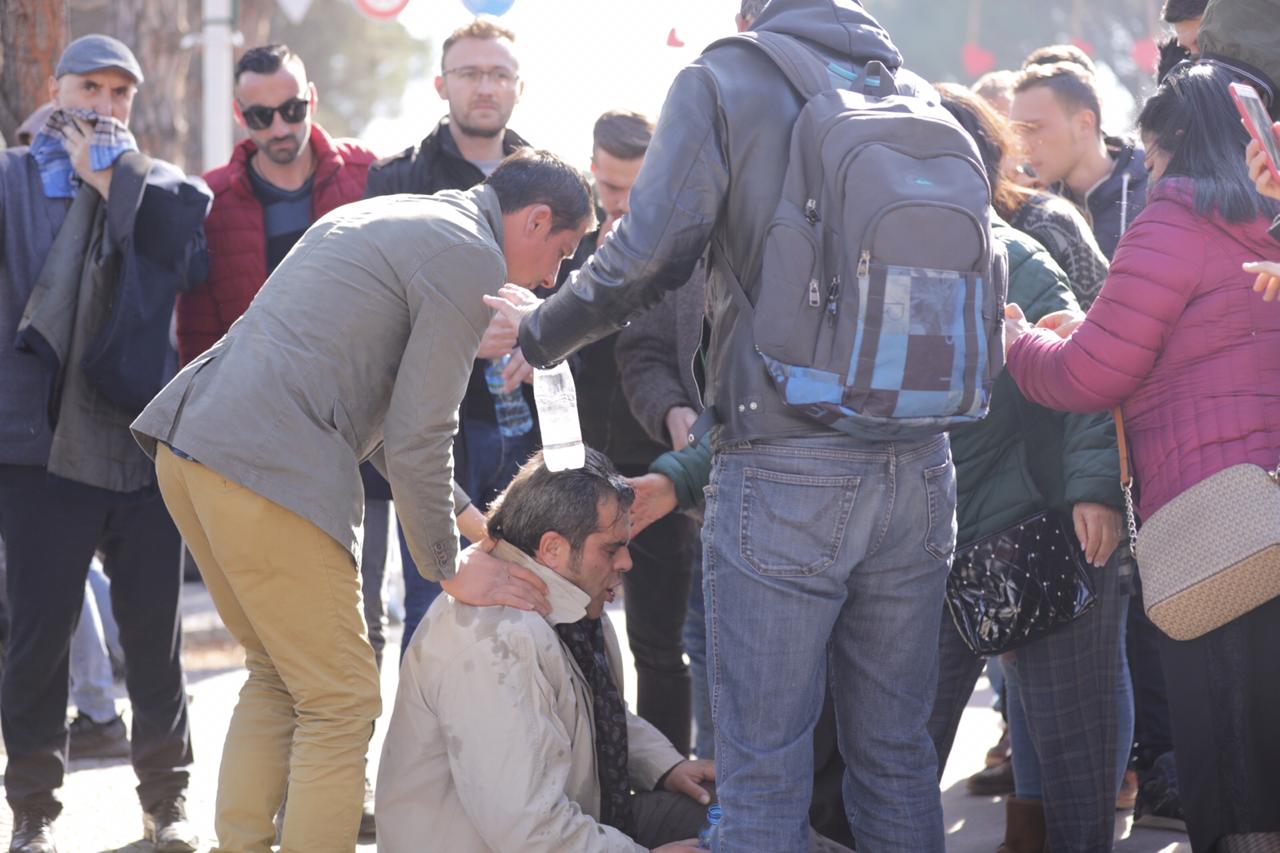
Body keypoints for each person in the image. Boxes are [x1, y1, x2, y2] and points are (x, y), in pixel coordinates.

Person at [487, 2, 965, 849]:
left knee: (761, 771)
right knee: (894, 757)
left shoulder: (726, 75)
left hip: (788, 458)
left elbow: (646, 253)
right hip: (923, 460)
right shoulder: (909, 89)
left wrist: (538, 332)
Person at [131, 149, 592, 851]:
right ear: (533, 219)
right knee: (341, 700)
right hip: (267, 460)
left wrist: (478, 527)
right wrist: (448, 563)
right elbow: (419, 431)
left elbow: (380, 424)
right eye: (560, 252)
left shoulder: (394, 214)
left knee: (281, 679)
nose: (551, 278)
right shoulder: (470, 255)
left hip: (193, 444)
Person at [1005, 62, 1280, 853]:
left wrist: (1017, 339)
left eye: (1151, 157)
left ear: (1171, 147)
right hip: (1268, 504)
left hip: (1213, 527)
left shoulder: (1171, 222)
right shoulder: (1266, 217)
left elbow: (1092, 372)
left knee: (1226, 753)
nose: (1147, 171)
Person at [0, 34, 209, 853]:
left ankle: (167, 804)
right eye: (91, 87)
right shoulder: (11, 182)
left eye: (121, 93)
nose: (106, 107)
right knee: (38, 636)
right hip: (36, 449)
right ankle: (34, 814)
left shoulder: (160, 188)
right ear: (57, 92)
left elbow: (185, 262)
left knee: (153, 635)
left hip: (137, 444)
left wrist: (114, 188)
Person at [174, 43, 382, 838]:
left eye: (292, 108)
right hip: (256, 453)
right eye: (262, 115)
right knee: (316, 675)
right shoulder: (213, 199)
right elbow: (197, 334)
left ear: (313, 98)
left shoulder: (365, 178)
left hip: (355, 439)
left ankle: (338, 792)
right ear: (241, 118)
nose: (281, 127)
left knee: (347, 638)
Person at [927, 83, 1130, 853]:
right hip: (933, 543)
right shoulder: (880, 263)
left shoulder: (1015, 255)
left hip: (1043, 533)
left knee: (1074, 755)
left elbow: (1085, 368)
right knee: (901, 747)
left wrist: (1095, 491)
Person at [376, 449, 713, 853]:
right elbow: (530, 831)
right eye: (611, 548)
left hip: (577, 827)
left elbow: (596, 715)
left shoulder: (568, 593)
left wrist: (667, 766)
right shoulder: (499, 639)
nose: (626, 562)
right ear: (552, 548)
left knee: (747, 817)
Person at [363, 17, 537, 654]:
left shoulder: (550, 178)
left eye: (498, 74)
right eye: (469, 73)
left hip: (528, 427)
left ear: (520, 86)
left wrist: (532, 333)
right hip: (430, 422)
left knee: (531, 598)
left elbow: (576, 295)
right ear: (441, 84)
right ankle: (430, 752)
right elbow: (373, 309)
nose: (483, 87)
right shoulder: (396, 180)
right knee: (431, 600)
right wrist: (464, 333)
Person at [556, 110, 701, 757]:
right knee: (566, 630)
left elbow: (666, 359)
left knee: (658, 645)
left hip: (658, 477)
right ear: (592, 171)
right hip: (574, 471)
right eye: (610, 189)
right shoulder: (570, 247)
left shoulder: (681, 251)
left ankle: (669, 774)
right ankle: (582, 770)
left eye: (636, 192)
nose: (620, 205)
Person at [1010, 60, 1149, 259]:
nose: (1021, 145)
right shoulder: (1031, 207)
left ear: (1084, 123)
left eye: (1033, 128)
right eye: (1016, 132)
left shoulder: (1155, 190)